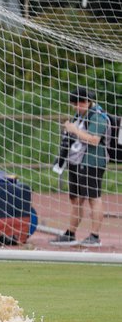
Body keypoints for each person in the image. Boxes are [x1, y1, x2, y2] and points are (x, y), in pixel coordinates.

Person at [50, 87, 111, 247]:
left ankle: (94, 236)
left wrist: (74, 130)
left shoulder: (98, 117)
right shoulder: (79, 115)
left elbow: (94, 140)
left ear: (89, 101)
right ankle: (70, 233)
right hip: (76, 161)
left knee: (93, 198)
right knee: (76, 199)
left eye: (81, 103)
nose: (77, 106)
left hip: (92, 162)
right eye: (75, 103)